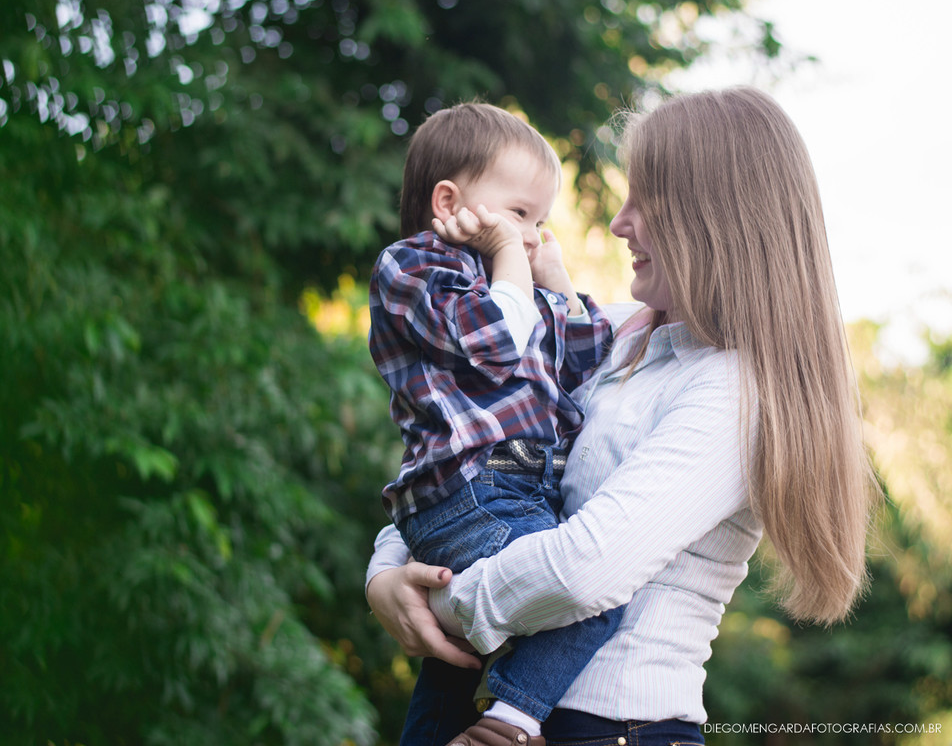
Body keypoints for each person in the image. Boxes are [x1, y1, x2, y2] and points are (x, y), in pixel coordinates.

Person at [366, 87, 878, 746]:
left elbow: (586, 570)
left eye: (643, 200)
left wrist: (437, 604)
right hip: (497, 705)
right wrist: (386, 573)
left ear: (711, 218)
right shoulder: (611, 339)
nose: (617, 223)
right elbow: (474, 453)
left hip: (610, 726)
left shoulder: (736, 391)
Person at [368, 101, 617, 746]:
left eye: (540, 221)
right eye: (519, 214)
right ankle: (509, 723)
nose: (531, 235)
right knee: (592, 594)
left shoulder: (517, 286)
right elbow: (495, 341)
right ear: (448, 202)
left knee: (454, 665)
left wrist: (555, 281)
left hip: (513, 491)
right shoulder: (413, 267)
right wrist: (509, 258)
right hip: (469, 491)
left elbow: (588, 354)